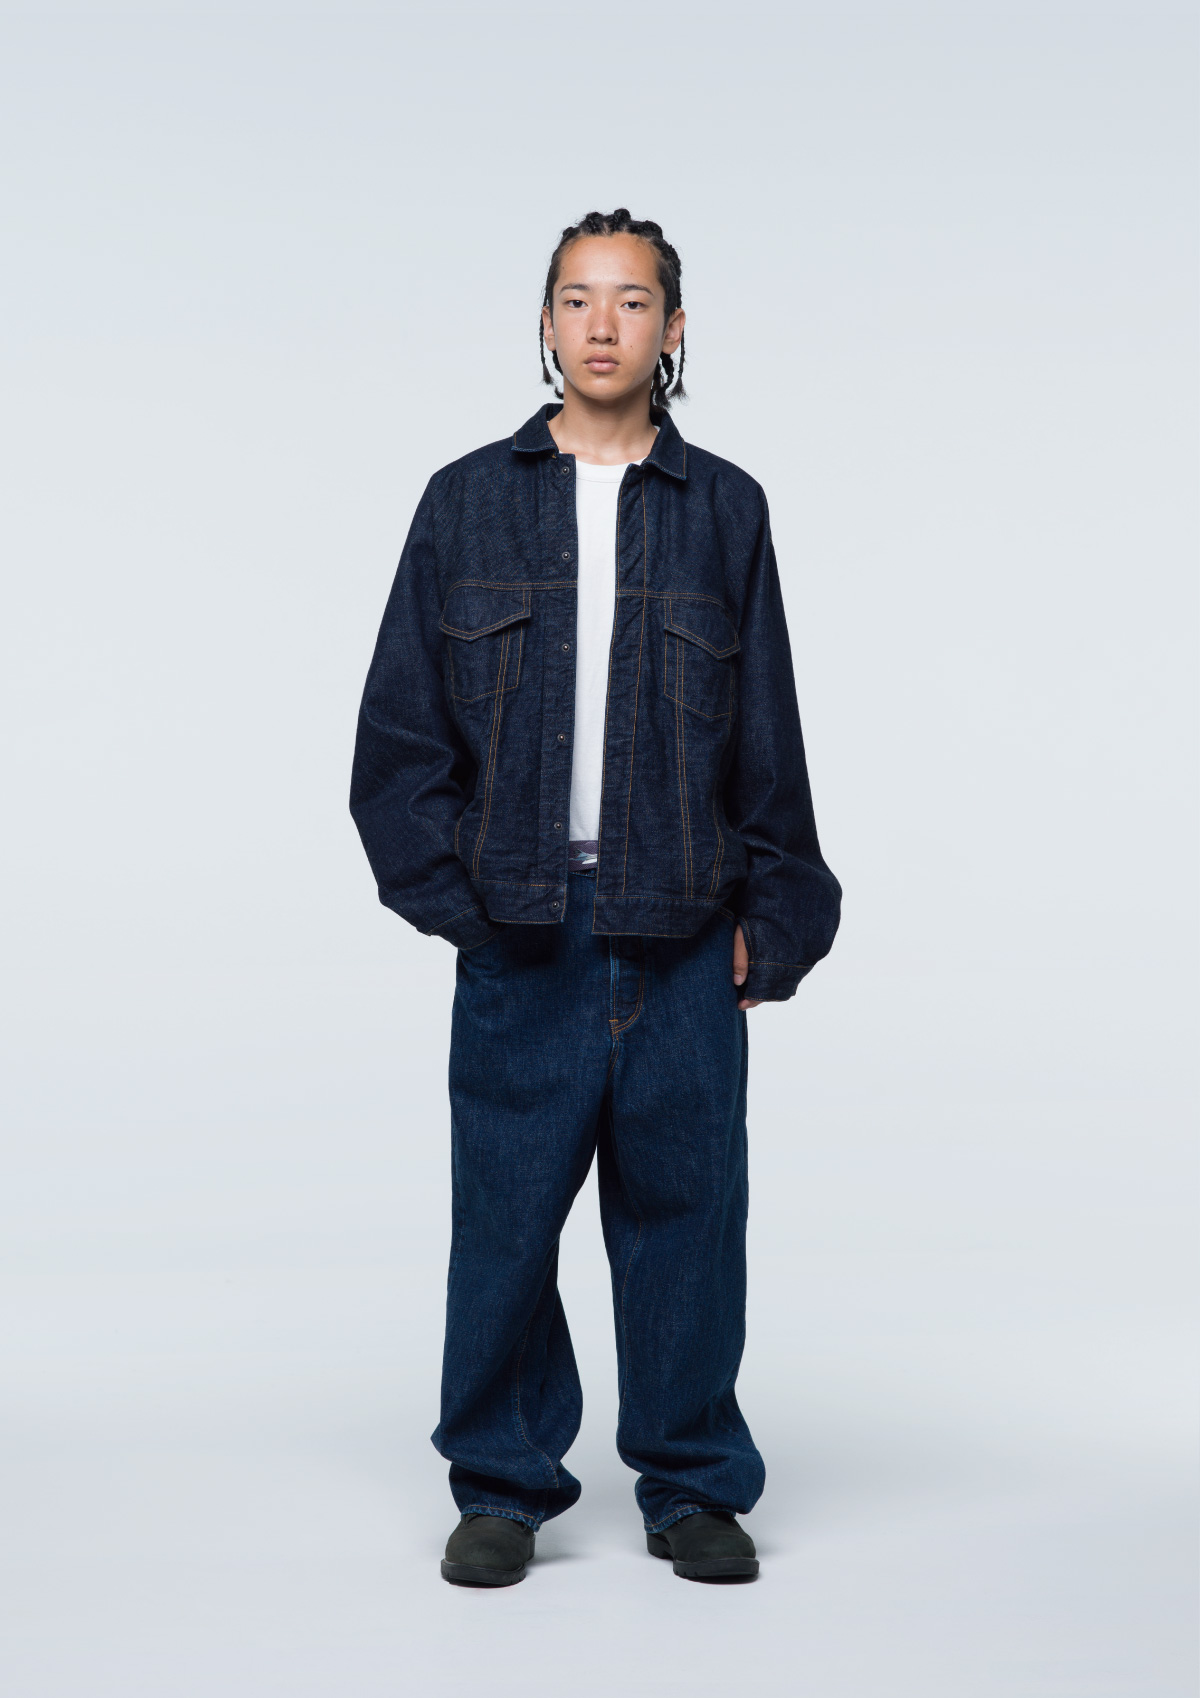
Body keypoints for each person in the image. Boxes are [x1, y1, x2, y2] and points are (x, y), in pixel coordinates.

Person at [350, 209, 841, 1586]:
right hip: (524, 931)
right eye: (578, 298)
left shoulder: (725, 509)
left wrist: (773, 919)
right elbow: (399, 743)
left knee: (689, 1219)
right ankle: (502, 1484)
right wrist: (468, 908)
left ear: (673, 330)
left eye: (632, 301)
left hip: (682, 928)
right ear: (547, 322)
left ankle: (691, 1484)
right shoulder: (465, 502)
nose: (603, 323)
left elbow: (768, 734)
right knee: (506, 1221)